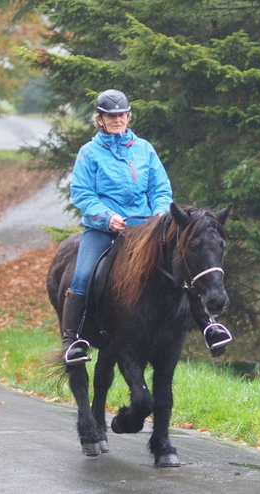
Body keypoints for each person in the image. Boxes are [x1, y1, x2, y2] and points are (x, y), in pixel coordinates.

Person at [62, 89, 174, 365]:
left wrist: (160, 213)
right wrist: (106, 217)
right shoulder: (89, 153)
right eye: (111, 116)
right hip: (103, 230)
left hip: (145, 230)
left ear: (128, 116)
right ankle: (72, 342)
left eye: (121, 115)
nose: (117, 119)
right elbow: (83, 193)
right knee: (83, 276)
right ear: (99, 119)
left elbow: (160, 188)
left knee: (181, 266)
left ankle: (209, 326)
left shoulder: (144, 149)